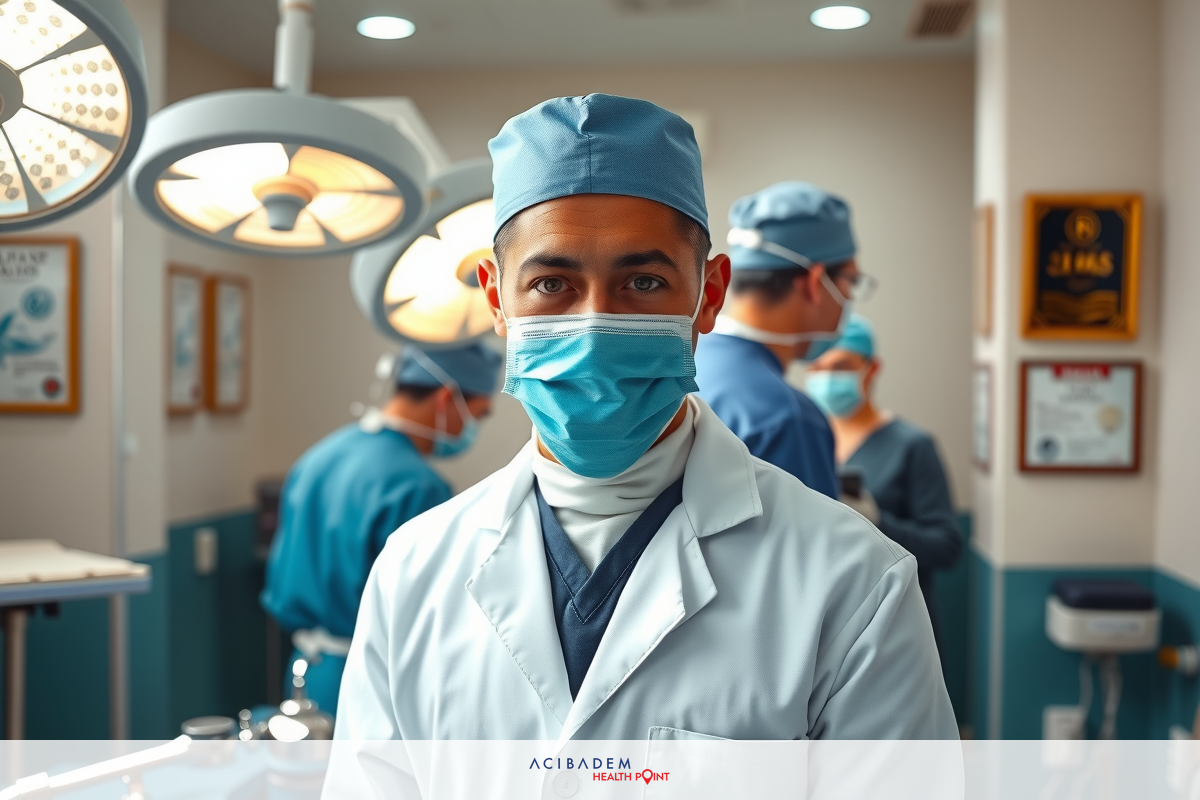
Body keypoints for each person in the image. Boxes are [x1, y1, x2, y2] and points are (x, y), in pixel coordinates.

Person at [332, 94, 955, 747]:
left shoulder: (854, 581)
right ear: (495, 299)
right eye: (551, 285)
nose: (595, 324)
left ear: (709, 295)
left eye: (644, 283)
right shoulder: (412, 571)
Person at [260, 342, 501, 715]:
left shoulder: (318, 457)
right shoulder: (418, 486)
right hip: (372, 680)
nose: (473, 428)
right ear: (445, 400)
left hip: (306, 672)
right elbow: (426, 617)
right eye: (478, 414)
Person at [694, 182, 876, 498]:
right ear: (815, 283)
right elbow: (813, 547)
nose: (849, 297)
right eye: (850, 281)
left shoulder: (688, 361)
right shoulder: (787, 419)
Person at [805, 314, 962, 649]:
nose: (826, 378)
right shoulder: (806, 440)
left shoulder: (911, 445)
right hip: (824, 619)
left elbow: (946, 547)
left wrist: (878, 522)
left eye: (841, 366)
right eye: (817, 368)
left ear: (872, 369)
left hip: (895, 624)